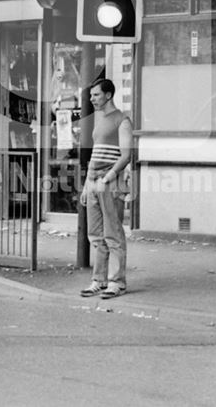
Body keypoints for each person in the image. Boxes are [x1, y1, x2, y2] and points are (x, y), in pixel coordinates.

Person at [79, 78, 133, 300]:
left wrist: (108, 178)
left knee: (113, 234)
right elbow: (94, 155)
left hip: (110, 183)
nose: (92, 99)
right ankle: (99, 280)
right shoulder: (99, 119)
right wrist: (86, 185)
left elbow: (126, 155)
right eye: (91, 95)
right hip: (94, 183)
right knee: (96, 235)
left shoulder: (122, 120)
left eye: (96, 95)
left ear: (108, 95)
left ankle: (117, 282)